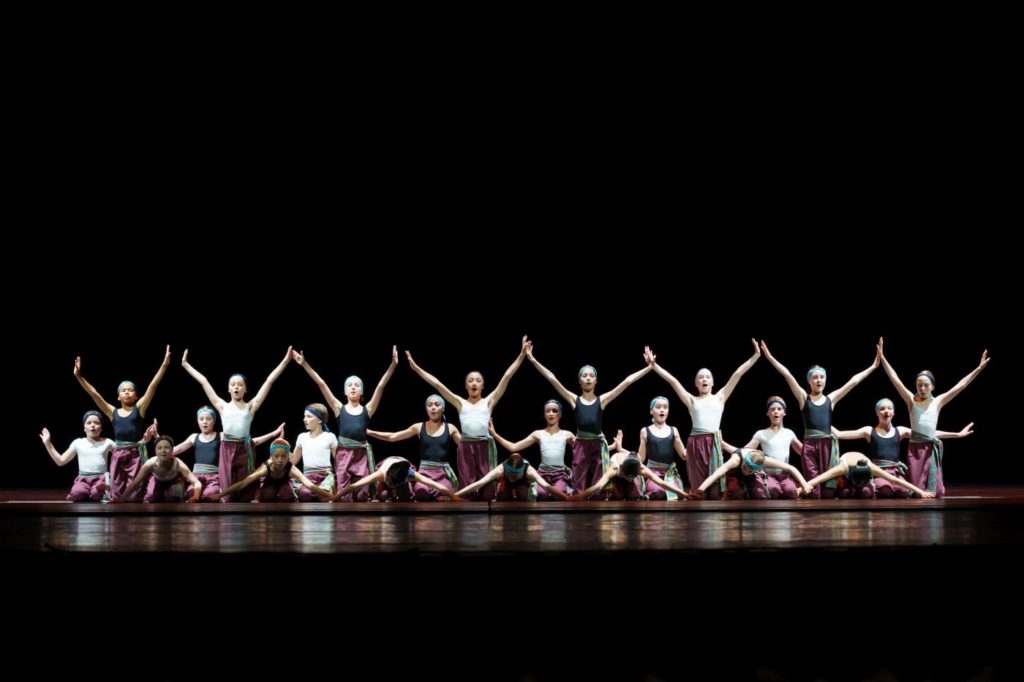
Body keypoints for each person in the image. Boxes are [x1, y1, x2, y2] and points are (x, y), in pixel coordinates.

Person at [526, 342, 654, 500]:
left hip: (597, 446)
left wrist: (649, 368)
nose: (588, 378)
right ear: (579, 381)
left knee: (597, 491)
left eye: (591, 376)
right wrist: (532, 359)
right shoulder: (574, 400)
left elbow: (626, 382)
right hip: (581, 447)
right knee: (579, 487)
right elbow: (552, 378)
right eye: (584, 376)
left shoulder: (602, 401)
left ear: (596, 381)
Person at [406, 337, 529, 500]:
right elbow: (437, 384)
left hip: (484, 447)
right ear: (466, 386)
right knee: (469, 493)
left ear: (483, 385)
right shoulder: (460, 403)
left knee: (488, 494)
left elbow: (506, 376)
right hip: (466, 447)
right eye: (470, 380)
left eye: (478, 380)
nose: (474, 383)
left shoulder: (489, 401)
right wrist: (415, 368)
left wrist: (521, 355)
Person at [761, 340, 878, 499]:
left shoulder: (831, 399)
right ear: (809, 380)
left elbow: (853, 382)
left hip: (827, 447)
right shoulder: (804, 399)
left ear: (825, 380)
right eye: (815, 377)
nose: (818, 380)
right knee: (814, 492)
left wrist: (873, 366)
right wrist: (769, 357)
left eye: (822, 377)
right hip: (810, 446)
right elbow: (787, 375)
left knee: (829, 492)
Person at [646, 340, 761, 499]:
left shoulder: (720, 397)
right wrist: (654, 366)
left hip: (714, 443)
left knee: (714, 493)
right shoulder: (691, 400)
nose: (704, 379)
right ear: (696, 383)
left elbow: (737, 374)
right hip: (695, 443)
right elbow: (673, 381)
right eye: (700, 377)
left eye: (708, 377)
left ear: (712, 382)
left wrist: (755, 357)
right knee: (698, 492)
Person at [878, 337, 989, 496]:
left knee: (936, 491)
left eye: (926, 385)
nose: (922, 388)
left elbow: (960, 386)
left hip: (931, 449)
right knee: (916, 491)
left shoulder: (938, 402)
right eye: (919, 385)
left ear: (932, 387)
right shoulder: (911, 401)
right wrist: (883, 359)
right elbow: (895, 380)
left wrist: (978, 369)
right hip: (916, 449)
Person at [181, 347, 292, 502]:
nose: (236, 387)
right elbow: (204, 381)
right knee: (227, 488)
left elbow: (269, 381)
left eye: (240, 384)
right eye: (233, 384)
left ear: (245, 389)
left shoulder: (251, 407)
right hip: (227, 447)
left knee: (245, 487)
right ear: (228, 388)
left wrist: (286, 361)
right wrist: (186, 365)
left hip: (245, 448)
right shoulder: (221, 406)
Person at [292, 346, 398, 502]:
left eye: (357, 385)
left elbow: (381, 386)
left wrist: (393, 365)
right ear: (345, 391)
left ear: (362, 392)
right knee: (345, 496)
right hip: (344, 454)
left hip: (361, 454)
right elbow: (321, 384)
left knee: (362, 495)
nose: (353, 387)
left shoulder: (367, 409)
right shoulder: (338, 408)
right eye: (350, 385)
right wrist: (304, 364)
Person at [74, 345, 171, 501]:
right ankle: (108, 493)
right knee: (116, 496)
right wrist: (80, 377)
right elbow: (94, 394)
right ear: (118, 396)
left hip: (134, 454)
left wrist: (164, 365)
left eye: (130, 390)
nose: (127, 392)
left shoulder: (139, 409)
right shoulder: (112, 412)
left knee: (135, 496)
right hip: (119, 453)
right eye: (123, 390)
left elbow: (152, 386)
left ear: (136, 396)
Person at [833, 396, 975, 498]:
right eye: (882, 409)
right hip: (879, 471)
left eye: (889, 408)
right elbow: (839, 434)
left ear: (893, 413)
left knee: (902, 492)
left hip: (896, 471)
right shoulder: (869, 431)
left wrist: (957, 434)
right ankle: (865, 487)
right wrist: (818, 424)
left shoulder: (900, 431)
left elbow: (928, 434)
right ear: (877, 413)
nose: (886, 411)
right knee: (886, 490)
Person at [169, 409, 284, 502]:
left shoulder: (222, 436)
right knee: (191, 493)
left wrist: (273, 434)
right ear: (197, 421)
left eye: (208, 419)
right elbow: (175, 450)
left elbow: (249, 442)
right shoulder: (193, 437)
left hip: (214, 477)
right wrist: (161, 442)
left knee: (210, 494)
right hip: (196, 477)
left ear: (214, 421)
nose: (205, 422)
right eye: (201, 419)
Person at [367, 394, 462, 500]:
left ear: (443, 408)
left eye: (437, 404)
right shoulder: (419, 427)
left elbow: (465, 446)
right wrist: (369, 432)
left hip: (442, 474)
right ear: (426, 409)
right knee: (422, 493)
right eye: (429, 405)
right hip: (424, 474)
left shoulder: (450, 428)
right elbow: (393, 437)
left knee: (445, 493)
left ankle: (439, 496)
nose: (433, 407)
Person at [489, 400, 576, 500]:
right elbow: (514, 447)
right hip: (543, 474)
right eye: (548, 411)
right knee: (542, 495)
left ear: (559, 414)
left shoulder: (567, 434)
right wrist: (494, 434)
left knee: (558, 495)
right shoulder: (538, 434)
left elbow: (582, 451)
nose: (551, 413)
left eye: (554, 410)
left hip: (559, 474)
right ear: (544, 415)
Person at [575, 432, 693, 501]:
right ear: (623, 471)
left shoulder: (641, 468)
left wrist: (685, 494)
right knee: (616, 496)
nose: (630, 479)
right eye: (628, 477)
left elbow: (662, 483)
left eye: (633, 477)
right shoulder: (615, 468)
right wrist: (579, 497)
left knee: (634, 496)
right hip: (616, 479)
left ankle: (631, 488)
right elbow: (598, 486)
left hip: (629, 469)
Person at [211, 439, 331, 503]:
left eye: (283, 457)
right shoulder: (265, 468)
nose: (280, 460)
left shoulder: (291, 468)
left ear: (288, 457)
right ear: (271, 457)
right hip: (269, 483)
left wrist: (333, 497)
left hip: (284, 482)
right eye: (276, 456)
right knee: (268, 497)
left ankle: (292, 490)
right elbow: (243, 483)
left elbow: (310, 485)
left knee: (287, 498)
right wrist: (220, 495)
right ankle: (264, 491)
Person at [731, 396, 805, 499]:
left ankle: (785, 488)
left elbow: (804, 453)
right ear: (768, 413)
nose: (776, 412)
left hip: (784, 474)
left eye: (779, 409)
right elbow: (744, 451)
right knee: (772, 490)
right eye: (772, 409)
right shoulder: (761, 433)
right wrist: (726, 446)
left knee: (791, 491)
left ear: (784, 413)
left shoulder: (789, 433)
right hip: (769, 474)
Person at [40, 411, 116, 502]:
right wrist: (48, 443)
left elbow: (121, 456)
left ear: (101, 428)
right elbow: (61, 461)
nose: (93, 425)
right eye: (89, 423)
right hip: (83, 479)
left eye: (96, 423)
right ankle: (88, 492)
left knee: (96, 494)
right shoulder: (78, 443)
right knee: (78, 493)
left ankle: (99, 493)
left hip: (100, 479)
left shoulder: (108, 442)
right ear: (84, 428)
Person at [801, 451, 935, 499]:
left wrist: (920, 492)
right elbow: (821, 477)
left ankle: (861, 488)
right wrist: (802, 487)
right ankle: (851, 489)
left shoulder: (870, 467)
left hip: (863, 477)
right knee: (844, 493)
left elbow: (894, 480)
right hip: (846, 478)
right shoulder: (843, 467)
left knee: (866, 492)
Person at [690, 447, 809, 500]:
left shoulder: (765, 461)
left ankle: (750, 488)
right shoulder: (736, 460)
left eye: (750, 470)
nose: (746, 472)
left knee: (761, 495)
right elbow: (715, 474)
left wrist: (804, 484)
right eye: (746, 468)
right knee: (736, 493)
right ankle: (742, 490)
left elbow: (791, 468)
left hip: (755, 475)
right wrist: (700, 490)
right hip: (736, 472)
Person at [332, 455, 461, 502]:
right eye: (388, 482)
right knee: (381, 496)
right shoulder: (382, 474)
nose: (389, 483)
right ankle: (391, 495)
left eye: (391, 484)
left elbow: (435, 485)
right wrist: (335, 497)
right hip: (390, 466)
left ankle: (401, 492)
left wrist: (453, 497)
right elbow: (355, 485)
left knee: (406, 497)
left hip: (401, 472)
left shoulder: (410, 474)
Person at [120, 435, 204, 503]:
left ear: (172, 450)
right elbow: (135, 483)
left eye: (167, 448)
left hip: (174, 482)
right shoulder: (150, 463)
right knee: (152, 498)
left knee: (172, 499)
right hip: (157, 481)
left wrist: (195, 496)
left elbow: (196, 482)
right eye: (159, 448)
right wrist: (121, 499)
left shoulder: (177, 463)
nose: (163, 451)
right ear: (155, 451)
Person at [455, 452, 571, 501]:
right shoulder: (501, 469)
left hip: (523, 485)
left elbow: (546, 486)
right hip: (506, 485)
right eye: (511, 475)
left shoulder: (529, 470)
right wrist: (453, 495)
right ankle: (506, 490)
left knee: (522, 495)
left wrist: (566, 497)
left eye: (516, 476)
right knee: (503, 497)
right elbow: (479, 483)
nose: (513, 478)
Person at [290, 403, 339, 501]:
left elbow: (339, 461)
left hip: (325, 476)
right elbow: (293, 461)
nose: (304, 419)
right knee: (305, 495)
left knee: (323, 495)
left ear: (320, 420)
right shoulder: (302, 437)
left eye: (308, 416)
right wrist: (283, 445)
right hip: (307, 477)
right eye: (304, 416)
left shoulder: (330, 437)